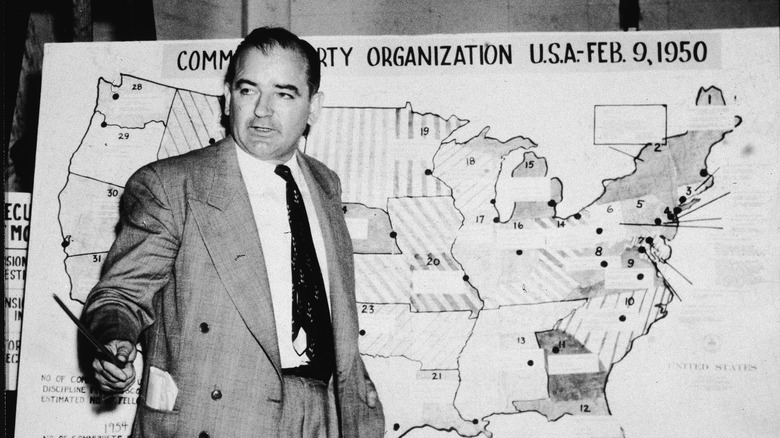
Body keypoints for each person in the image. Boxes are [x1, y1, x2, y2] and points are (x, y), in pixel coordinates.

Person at [82, 27, 384, 437]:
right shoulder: (171, 185)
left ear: (313, 107)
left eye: (284, 93)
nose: (262, 110)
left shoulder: (325, 185)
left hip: (325, 416)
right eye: (248, 90)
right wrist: (114, 341)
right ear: (227, 98)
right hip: (222, 417)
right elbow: (120, 296)